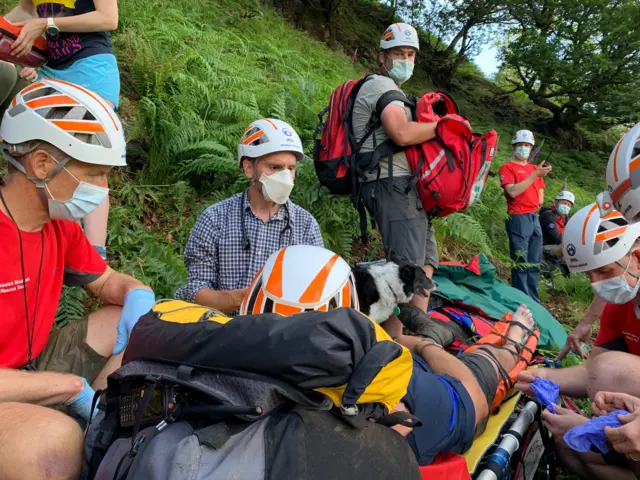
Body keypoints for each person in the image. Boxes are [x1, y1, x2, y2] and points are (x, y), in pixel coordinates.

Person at [243, 244, 540, 466]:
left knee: (426, 346)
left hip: (404, 369)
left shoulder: (231, 359)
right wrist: (423, 346)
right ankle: (511, 344)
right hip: (456, 396)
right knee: (483, 362)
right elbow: (472, 404)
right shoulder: (377, 384)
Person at [0, 79, 155, 480]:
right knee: (52, 445)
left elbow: (107, 283)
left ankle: (100, 429)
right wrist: (69, 387)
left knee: (128, 319)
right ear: (41, 165)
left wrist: (136, 291)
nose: (102, 191)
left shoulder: (59, 226)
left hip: (31, 366)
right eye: (95, 174)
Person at [516, 203, 640, 479]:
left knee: (611, 371)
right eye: (589, 275)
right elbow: (591, 374)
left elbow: (605, 373)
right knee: (567, 445)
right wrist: (543, 376)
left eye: (604, 272)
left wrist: (596, 429)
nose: (596, 285)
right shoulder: (619, 307)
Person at [5, 0, 121, 263]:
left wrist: (46, 24)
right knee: (38, 158)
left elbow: (108, 18)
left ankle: (93, 257)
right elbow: (26, 11)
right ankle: (46, 245)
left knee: (92, 160)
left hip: (91, 67)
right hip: (51, 69)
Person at [175, 118, 323, 314]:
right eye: (274, 167)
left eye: (291, 168)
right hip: (223, 330)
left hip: (282, 336)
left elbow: (318, 293)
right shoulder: (215, 219)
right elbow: (196, 290)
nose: (285, 178)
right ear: (248, 168)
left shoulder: (306, 227)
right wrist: (240, 300)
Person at [351, 23, 438, 336]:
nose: (405, 59)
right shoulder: (378, 86)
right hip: (390, 185)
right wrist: (444, 127)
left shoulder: (395, 92)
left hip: (405, 187)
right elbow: (400, 133)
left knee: (425, 263)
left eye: (410, 53)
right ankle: (396, 343)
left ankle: (414, 336)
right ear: (382, 57)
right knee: (406, 269)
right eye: (398, 53)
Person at [499, 129, 552, 302]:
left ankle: (533, 300)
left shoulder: (533, 168)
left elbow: (541, 194)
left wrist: (537, 175)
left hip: (533, 216)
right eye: (521, 145)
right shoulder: (507, 167)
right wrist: (534, 174)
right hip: (518, 216)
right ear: (514, 146)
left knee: (534, 261)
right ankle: (521, 299)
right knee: (520, 260)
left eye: (527, 145)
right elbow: (512, 192)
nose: (524, 148)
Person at [540, 187, 574, 276]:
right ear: (556, 203)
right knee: (567, 247)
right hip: (544, 247)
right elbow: (557, 237)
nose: (566, 206)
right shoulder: (548, 215)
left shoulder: (564, 217)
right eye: (564, 203)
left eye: (569, 205)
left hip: (555, 246)